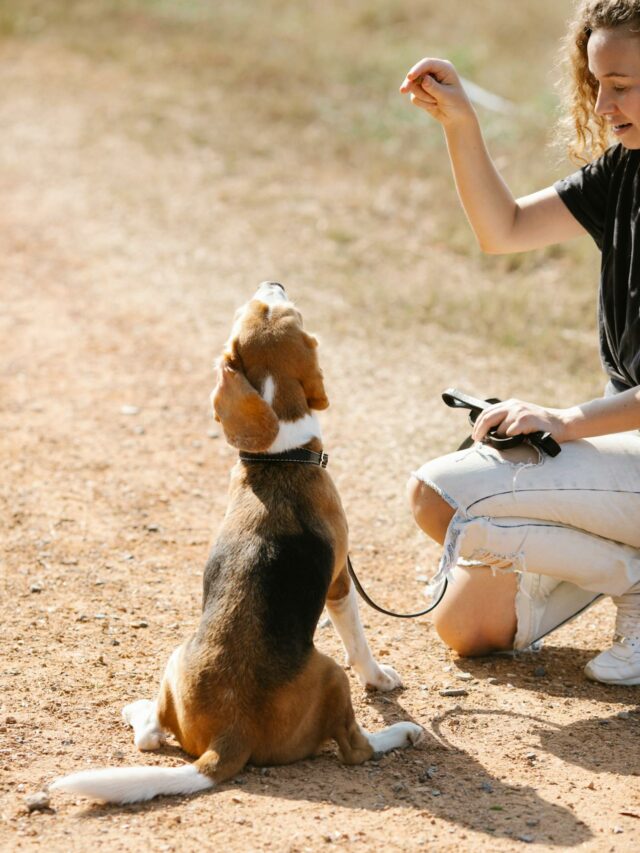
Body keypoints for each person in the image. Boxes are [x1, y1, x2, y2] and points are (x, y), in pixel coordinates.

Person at [400, 0, 640, 684]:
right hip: (632, 448)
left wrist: (563, 422)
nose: (602, 104)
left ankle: (633, 581)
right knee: (467, 626)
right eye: (595, 84)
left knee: (435, 495)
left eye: (620, 85)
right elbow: (502, 228)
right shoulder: (625, 168)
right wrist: (460, 125)